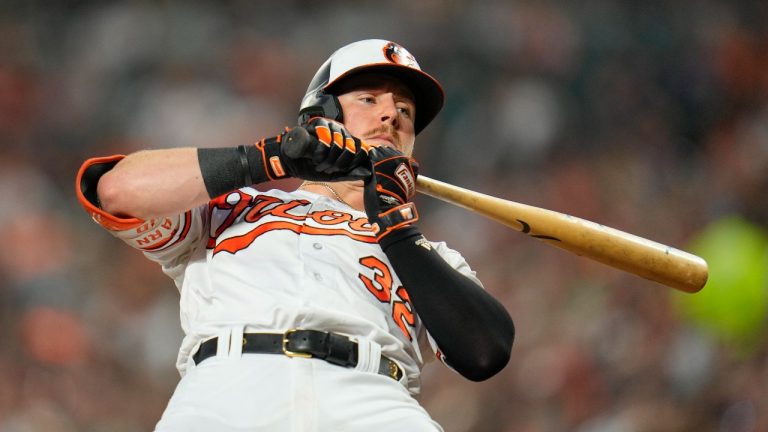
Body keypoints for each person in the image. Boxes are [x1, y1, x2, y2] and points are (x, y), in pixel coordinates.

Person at [76, 39, 514, 431]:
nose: (390, 115)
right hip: (228, 390)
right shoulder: (230, 207)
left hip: (373, 396)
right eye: (368, 99)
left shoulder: (426, 254)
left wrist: (397, 229)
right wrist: (272, 158)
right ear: (320, 114)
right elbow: (117, 191)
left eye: (405, 111)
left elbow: (484, 352)